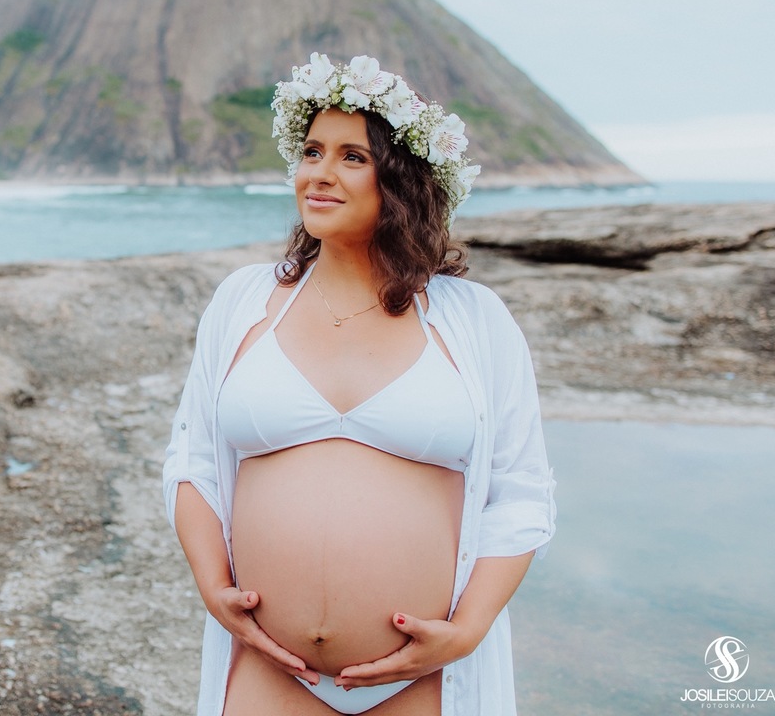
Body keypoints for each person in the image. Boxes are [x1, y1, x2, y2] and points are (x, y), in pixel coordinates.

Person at [162, 53, 556, 715]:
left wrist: (468, 631)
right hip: (269, 669)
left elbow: (521, 489)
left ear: (400, 181)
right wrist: (211, 583)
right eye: (312, 152)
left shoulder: (475, 319)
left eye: (352, 157)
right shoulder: (243, 302)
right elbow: (193, 457)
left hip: (423, 680)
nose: (319, 173)